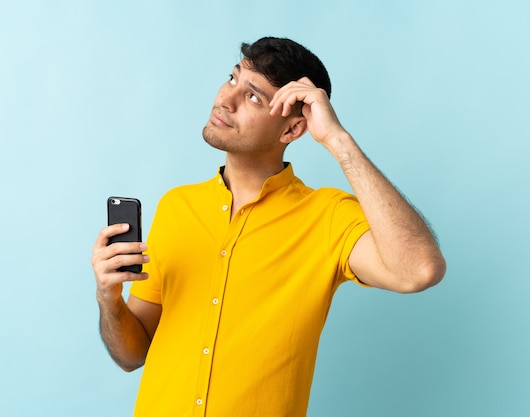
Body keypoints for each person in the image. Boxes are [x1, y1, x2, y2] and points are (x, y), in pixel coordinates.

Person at [91, 37, 446, 417]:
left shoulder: (327, 216)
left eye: (254, 97)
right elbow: (132, 355)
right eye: (232, 78)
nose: (226, 100)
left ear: (292, 131)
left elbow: (419, 269)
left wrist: (338, 140)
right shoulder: (176, 207)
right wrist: (108, 298)